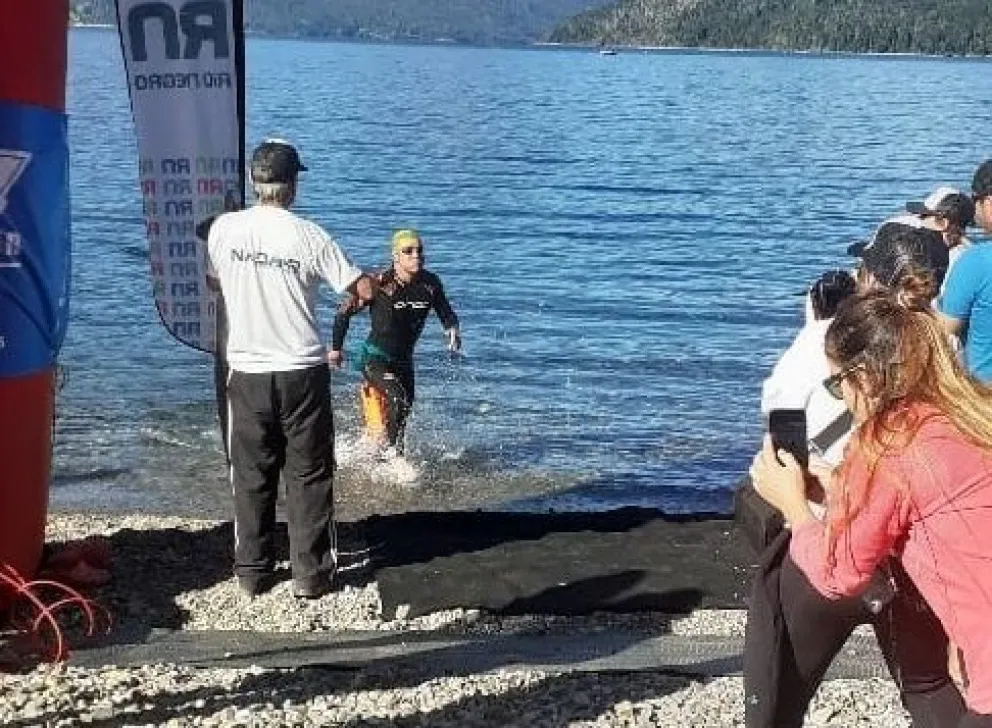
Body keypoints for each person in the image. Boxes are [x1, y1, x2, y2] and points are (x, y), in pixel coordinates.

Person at [743, 220, 960, 728]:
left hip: (825, 532)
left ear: (866, 277)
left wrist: (810, 326)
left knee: (776, 687)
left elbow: (778, 424)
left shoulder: (823, 337)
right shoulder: (945, 353)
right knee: (931, 693)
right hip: (910, 555)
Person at [206, 138, 372, 599]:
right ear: (293, 184)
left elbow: (213, 280)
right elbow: (362, 289)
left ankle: (253, 573)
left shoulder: (223, 231)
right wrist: (365, 288)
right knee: (309, 471)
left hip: (246, 369)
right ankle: (311, 575)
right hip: (301, 367)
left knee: (251, 470)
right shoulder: (310, 236)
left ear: (254, 182)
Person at [330, 229, 460, 457]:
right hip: (375, 356)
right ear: (395, 256)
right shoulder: (379, 283)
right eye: (407, 251)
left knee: (404, 409)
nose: (415, 255)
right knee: (397, 399)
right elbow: (343, 313)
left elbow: (445, 310)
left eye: (419, 250)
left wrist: (452, 328)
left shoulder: (431, 284)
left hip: (404, 360)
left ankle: (386, 450)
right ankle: (390, 457)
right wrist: (336, 349)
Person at [761, 269, 856, 465]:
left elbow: (778, 407)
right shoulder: (869, 333)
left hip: (824, 458)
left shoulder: (811, 342)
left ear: (813, 305)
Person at [939, 160, 992, 382]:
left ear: (989, 203)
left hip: (983, 403)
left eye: (975, 201)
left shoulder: (976, 262)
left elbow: (943, 331)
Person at [906, 186, 975, 277]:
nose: (918, 218)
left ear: (943, 223)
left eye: (924, 215)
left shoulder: (952, 262)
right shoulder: (969, 251)